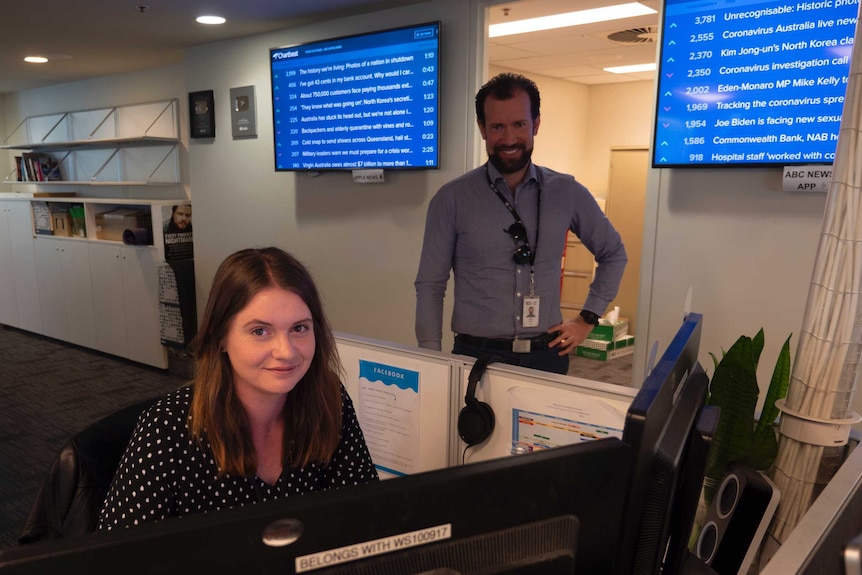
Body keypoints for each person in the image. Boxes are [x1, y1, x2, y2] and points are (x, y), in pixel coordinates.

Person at [98, 247, 378, 530]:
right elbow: (115, 558)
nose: (286, 351)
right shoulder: (167, 429)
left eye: (299, 328)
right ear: (220, 338)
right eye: (260, 331)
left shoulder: (328, 399)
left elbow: (365, 515)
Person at [415, 73, 627, 375]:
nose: (509, 138)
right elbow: (430, 286)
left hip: (547, 357)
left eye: (519, 124)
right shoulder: (452, 199)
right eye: (497, 126)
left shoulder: (565, 192)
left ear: (536, 124)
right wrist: (430, 361)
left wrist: (587, 319)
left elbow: (614, 252)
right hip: (475, 358)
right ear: (482, 129)